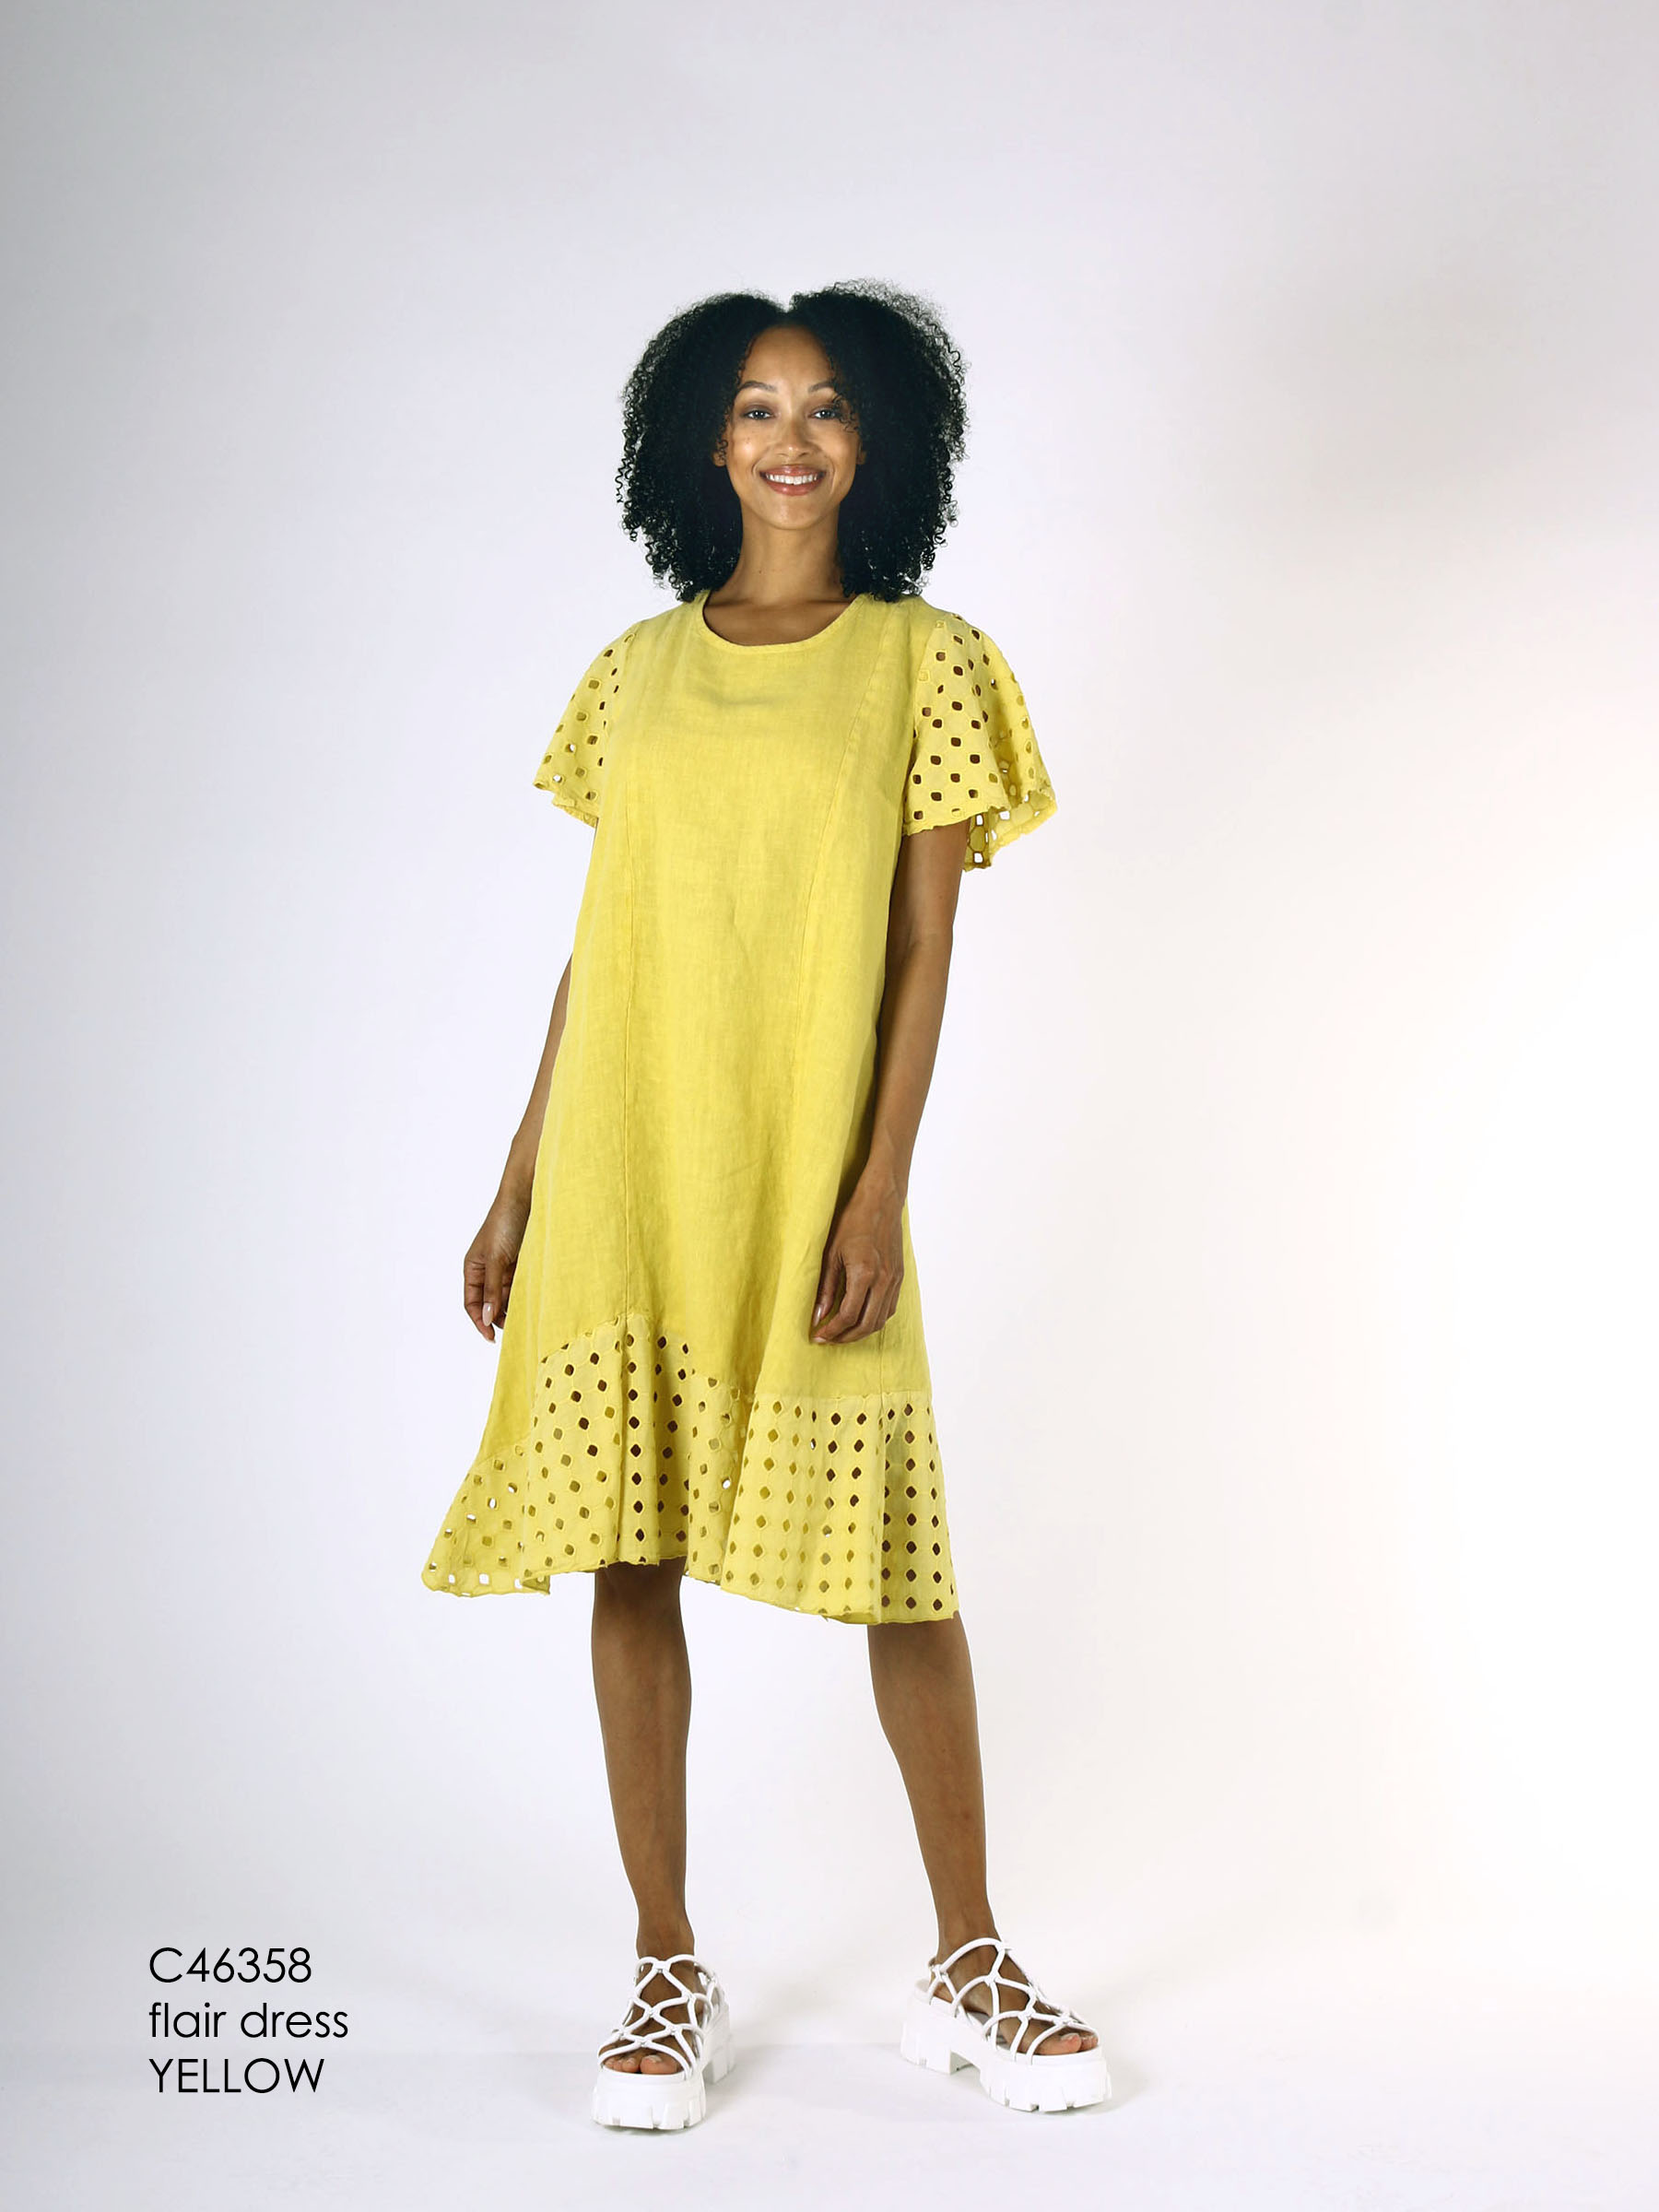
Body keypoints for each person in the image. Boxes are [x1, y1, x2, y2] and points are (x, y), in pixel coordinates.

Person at [420, 282, 1106, 2128]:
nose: (788, 439)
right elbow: (603, 947)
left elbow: (923, 949)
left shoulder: (927, 662)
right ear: (702, 446)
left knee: (899, 1569)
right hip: (627, 1161)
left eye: (824, 408)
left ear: (878, 444)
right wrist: (518, 1180)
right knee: (629, 1548)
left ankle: (969, 1959)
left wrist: (876, 1189)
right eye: (752, 407)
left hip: (808, 1166)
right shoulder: (633, 674)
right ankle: (665, 1959)